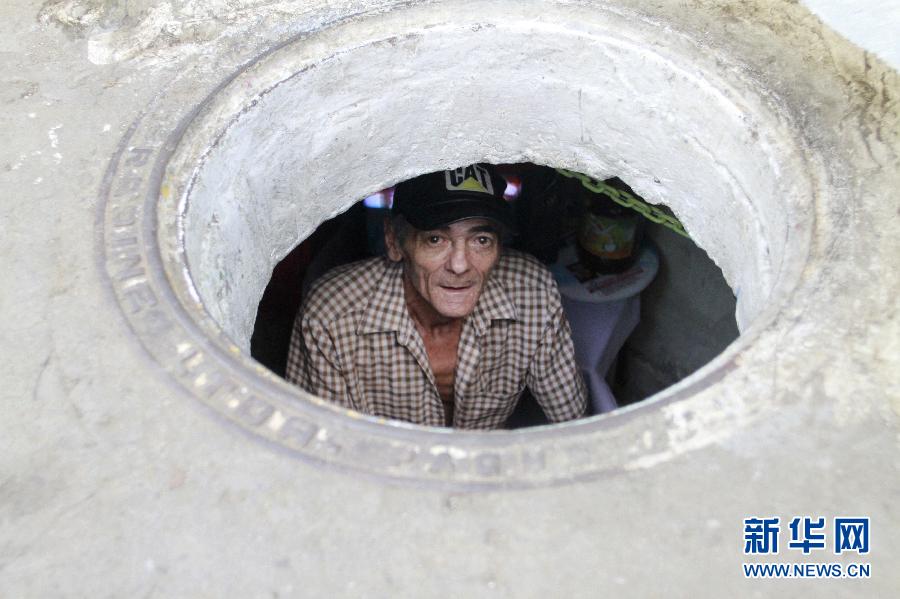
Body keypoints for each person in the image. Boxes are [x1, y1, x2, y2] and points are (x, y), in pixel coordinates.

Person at [285, 163, 587, 429]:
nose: (460, 265)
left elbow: (573, 422)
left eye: (481, 240)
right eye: (435, 239)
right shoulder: (333, 317)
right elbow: (324, 445)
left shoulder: (531, 293)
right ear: (394, 240)